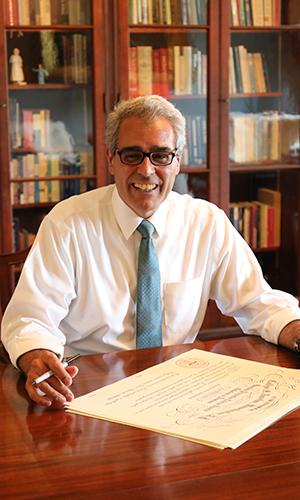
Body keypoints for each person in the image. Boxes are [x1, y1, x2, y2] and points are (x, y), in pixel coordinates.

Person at [1, 95, 300, 408]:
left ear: (177, 161)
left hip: (178, 391)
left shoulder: (206, 222)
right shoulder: (68, 223)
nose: (146, 170)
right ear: (110, 159)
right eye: (132, 155)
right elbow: (29, 319)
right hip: (85, 387)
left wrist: (294, 330)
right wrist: (38, 356)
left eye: (160, 155)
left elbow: (257, 301)